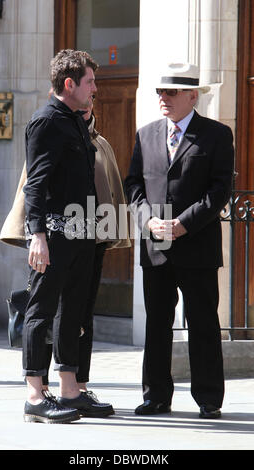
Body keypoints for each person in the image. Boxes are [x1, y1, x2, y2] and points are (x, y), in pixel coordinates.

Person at [125, 63, 234, 419]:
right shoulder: (146, 134)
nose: (163, 97)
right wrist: (149, 220)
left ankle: (208, 398)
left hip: (197, 246)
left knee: (203, 322)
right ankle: (156, 396)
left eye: (170, 92)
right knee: (157, 324)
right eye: (160, 91)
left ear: (192, 96)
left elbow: (220, 190)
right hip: (156, 247)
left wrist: (184, 225)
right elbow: (134, 186)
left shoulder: (217, 135)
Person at [20, 48, 113, 424]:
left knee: (73, 311)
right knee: (40, 312)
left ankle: (70, 390)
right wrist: (37, 235)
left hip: (82, 232)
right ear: (70, 84)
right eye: (90, 82)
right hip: (55, 234)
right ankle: (35, 395)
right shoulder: (46, 122)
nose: (95, 89)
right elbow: (35, 185)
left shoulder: (75, 120)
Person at [41, 102, 131, 399]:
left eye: (92, 102)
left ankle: (80, 385)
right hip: (59, 237)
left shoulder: (101, 144)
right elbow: (35, 186)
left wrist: (111, 231)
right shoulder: (56, 135)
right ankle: (42, 385)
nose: (88, 106)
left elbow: (111, 190)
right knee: (52, 309)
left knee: (83, 312)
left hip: (94, 241)